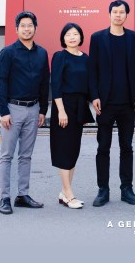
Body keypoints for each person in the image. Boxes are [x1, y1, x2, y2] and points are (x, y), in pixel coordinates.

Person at [88, 0, 135, 207]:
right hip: (105, 103)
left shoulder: (133, 38)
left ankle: (127, 189)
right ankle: (103, 189)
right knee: (103, 147)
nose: (118, 15)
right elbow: (92, 70)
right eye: (115, 12)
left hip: (127, 103)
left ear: (127, 15)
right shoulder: (97, 38)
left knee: (126, 147)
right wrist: (94, 96)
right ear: (109, 14)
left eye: (122, 12)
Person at [0, 11, 49, 215]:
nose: (27, 29)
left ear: (35, 28)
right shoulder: (7, 53)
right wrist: (4, 111)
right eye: (23, 26)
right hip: (13, 110)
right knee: (6, 156)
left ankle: (23, 195)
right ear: (16, 29)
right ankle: (4, 198)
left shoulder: (42, 53)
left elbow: (44, 83)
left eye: (30, 25)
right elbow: (2, 83)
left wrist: (43, 110)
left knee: (26, 155)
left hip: (33, 109)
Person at [50, 23, 94, 210]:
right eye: (68, 34)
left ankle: (64, 191)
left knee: (74, 149)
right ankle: (68, 194)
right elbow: (56, 84)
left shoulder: (86, 58)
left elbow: (90, 84)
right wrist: (61, 110)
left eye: (75, 34)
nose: (72, 37)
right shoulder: (60, 56)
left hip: (79, 105)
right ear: (63, 38)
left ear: (81, 37)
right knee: (64, 149)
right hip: (64, 105)